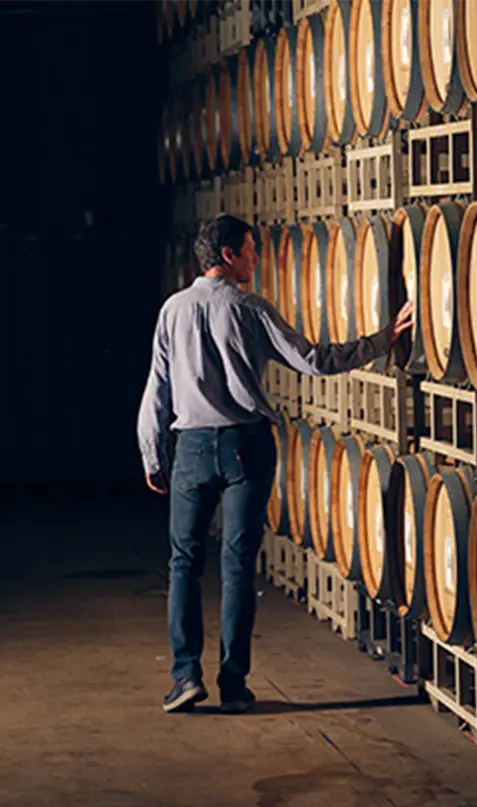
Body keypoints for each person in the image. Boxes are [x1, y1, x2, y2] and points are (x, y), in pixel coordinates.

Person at [137, 214, 414, 714]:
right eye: (249, 250)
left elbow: (157, 390)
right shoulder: (249, 308)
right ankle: (235, 686)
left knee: (183, 563)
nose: (255, 259)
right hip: (246, 445)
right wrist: (383, 339)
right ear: (227, 256)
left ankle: (185, 678)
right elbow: (314, 360)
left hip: (192, 448)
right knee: (238, 565)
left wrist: (151, 452)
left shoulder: (172, 311)